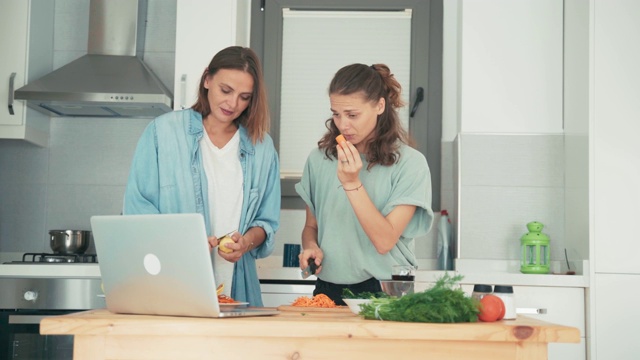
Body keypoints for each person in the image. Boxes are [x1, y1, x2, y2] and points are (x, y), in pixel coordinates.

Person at [123, 46, 281, 306]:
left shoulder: (262, 148)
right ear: (207, 79)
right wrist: (184, 240)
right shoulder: (162, 133)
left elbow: (266, 222)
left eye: (244, 97)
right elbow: (137, 211)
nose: (232, 104)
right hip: (173, 284)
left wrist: (246, 243)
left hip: (238, 289)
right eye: (226, 90)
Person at [295, 63, 433, 305]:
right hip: (328, 289)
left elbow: (384, 241)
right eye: (336, 114)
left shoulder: (411, 164)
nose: (343, 125)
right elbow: (311, 227)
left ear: (380, 106)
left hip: (386, 288)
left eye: (352, 115)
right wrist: (310, 247)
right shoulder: (319, 159)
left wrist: (351, 183)